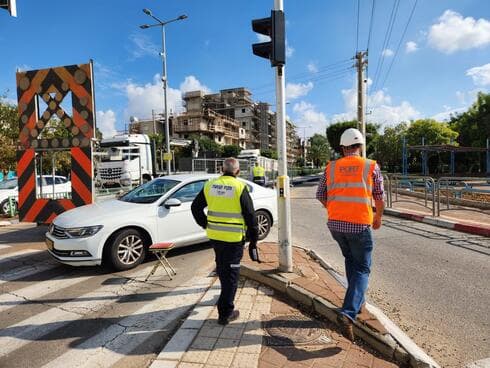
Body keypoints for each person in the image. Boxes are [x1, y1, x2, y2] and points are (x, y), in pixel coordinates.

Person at [316, 128, 385, 341]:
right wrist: (378, 218)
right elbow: (380, 197)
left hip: (336, 225)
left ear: (343, 147)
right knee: (363, 268)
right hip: (359, 224)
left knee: (350, 260)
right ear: (360, 146)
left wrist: (334, 209)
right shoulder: (371, 166)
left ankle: (358, 300)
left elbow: (320, 195)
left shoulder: (331, 167)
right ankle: (348, 312)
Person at [191, 157, 259, 325]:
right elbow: (250, 216)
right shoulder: (239, 187)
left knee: (222, 268)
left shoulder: (210, 185)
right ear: (237, 171)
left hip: (215, 236)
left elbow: (195, 207)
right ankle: (225, 313)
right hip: (233, 239)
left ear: (222, 169)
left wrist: (205, 223)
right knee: (231, 276)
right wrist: (254, 240)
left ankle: (224, 301)